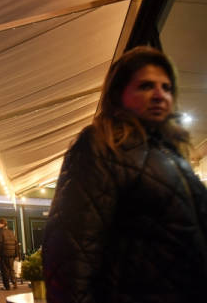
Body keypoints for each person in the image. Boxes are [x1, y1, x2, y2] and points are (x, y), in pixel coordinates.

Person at [43, 46, 207, 303]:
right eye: (146, 86)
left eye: (166, 88)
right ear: (119, 93)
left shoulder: (173, 156)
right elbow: (71, 252)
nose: (159, 95)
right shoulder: (101, 146)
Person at [0, 218, 18, 290]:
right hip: (12, 254)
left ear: (2, 224)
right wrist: (16, 254)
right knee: (11, 269)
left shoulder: (0, 232)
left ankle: (7, 286)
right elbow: (16, 244)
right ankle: (14, 283)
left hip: (4, 254)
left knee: (5, 271)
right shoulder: (11, 232)